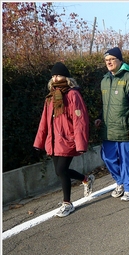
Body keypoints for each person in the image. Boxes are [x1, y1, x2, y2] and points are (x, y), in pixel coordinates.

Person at [33, 62, 94, 217]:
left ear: (66, 77)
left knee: (61, 170)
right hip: (52, 142)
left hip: (68, 140)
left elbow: (80, 120)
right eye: (53, 76)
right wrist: (39, 142)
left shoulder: (73, 94)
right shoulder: (51, 96)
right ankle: (86, 179)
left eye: (58, 75)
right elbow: (44, 121)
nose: (55, 78)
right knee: (60, 171)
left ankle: (67, 203)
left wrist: (80, 143)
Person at [95, 47, 129, 201]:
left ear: (120, 60)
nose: (109, 62)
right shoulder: (104, 80)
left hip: (125, 128)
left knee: (126, 160)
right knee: (108, 157)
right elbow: (105, 104)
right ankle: (120, 182)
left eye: (112, 59)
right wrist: (100, 117)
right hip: (108, 129)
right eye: (107, 60)